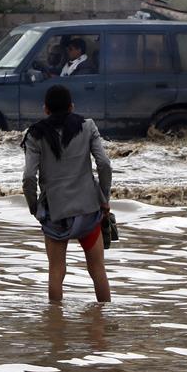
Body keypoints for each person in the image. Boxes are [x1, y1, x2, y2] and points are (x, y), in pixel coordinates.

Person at [22, 84, 112, 303]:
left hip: (55, 215)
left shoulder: (35, 134)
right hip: (89, 212)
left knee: (56, 272)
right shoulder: (88, 126)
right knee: (97, 270)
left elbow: (28, 177)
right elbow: (105, 164)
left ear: (45, 109)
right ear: (72, 107)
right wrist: (103, 198)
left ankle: (56, 327)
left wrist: (34, 207)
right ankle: (105, 324)